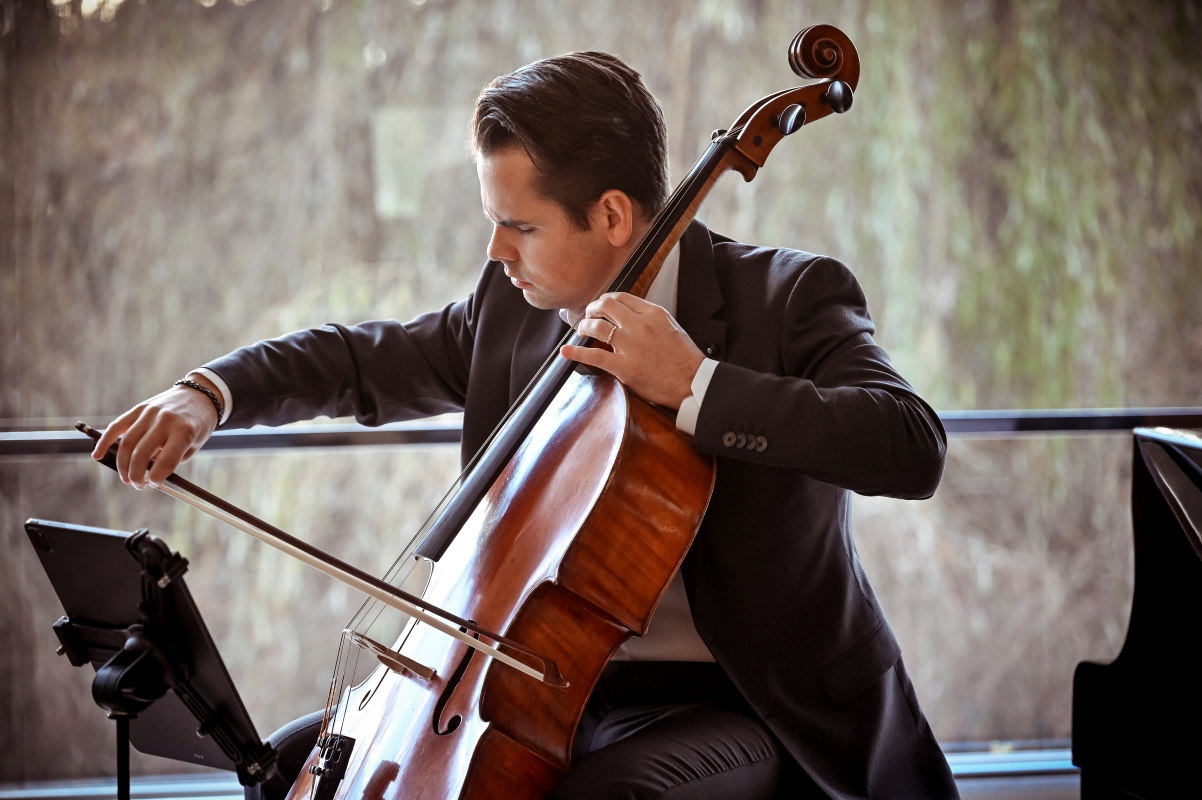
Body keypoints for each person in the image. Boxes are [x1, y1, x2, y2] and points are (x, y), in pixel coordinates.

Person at [94, 51, 959, 800]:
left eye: (519, 226)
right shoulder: (516, 314)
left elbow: (908, 443)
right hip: (538, 689)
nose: (496, 254)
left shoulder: (790, 299)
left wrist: (697, 383)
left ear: (613, 216)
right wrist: (208, 393)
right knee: (287, 767)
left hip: (741, 702)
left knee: (607, 794)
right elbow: (361, 361)